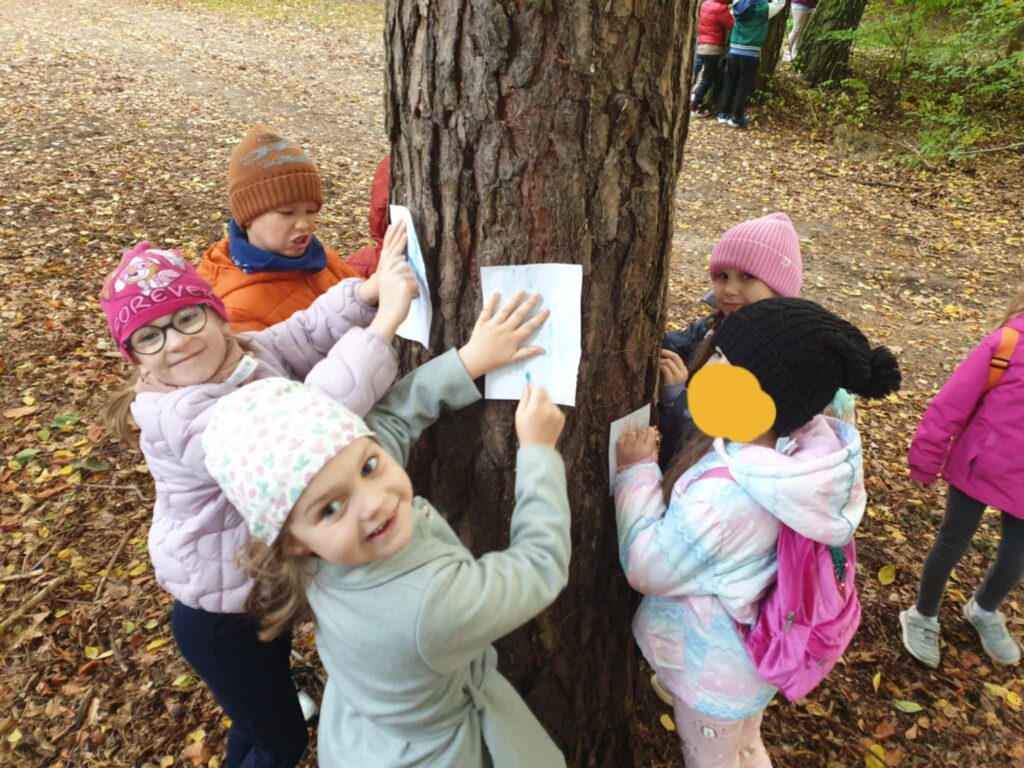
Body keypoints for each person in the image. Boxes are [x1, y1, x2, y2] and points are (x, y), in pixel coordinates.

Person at [202, 295, 568, 767]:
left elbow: (389, 420)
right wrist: (538, 452)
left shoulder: (311, 549)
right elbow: (540, 567)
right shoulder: (430, 608)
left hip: (360, 734)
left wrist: (469, 361)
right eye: (332, 508)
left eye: (371, 466)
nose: (374, 502)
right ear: (291, 539)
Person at [99, 237, 416, 767]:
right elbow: (302, 433)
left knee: (257, 720)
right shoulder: (182, 417)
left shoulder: (241, 354)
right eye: (149, 336)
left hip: (252, 594)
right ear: (136, 360)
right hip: (219, 618)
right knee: (281, 741)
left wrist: (364, 293)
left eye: (186, 319)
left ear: (218, 316)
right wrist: (382, 329)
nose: (174, 343)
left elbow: (300, 334)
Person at [615, 298, 901, 768]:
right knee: (744, 747)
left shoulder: (725, 499)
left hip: (713, 673)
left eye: (725, 364)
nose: (707, 369)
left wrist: (635, 473)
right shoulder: (800, 461)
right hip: (753, 657)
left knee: (713, 759)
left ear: (767, 396)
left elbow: (647, 566)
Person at [900, 287, 1024, 668]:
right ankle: (923, 614)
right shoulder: (1008, 343)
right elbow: (951, 402)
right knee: (952, 543)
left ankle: (984, 609)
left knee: (1015, 559)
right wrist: (925, 457)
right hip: (978, 466)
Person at [198, 124, 390, 331]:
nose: (304, 224)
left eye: (311, 211)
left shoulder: (320, 258)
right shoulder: (238, 310)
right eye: (287, 213)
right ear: (248, 216)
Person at [659, 213, 802, 467]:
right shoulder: (714, 329)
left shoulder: (783, 362)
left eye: (747, 276)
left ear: (778, 286)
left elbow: (725, 447)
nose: (729, 289)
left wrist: (677, 399)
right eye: (722, 276)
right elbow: (673, 343)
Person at [717, 0, 786, 128]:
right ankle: (736, 117)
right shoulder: (764, 9)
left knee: (730, 82)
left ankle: (722, 114)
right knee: (742, 86)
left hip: (733, 51)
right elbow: (780, 3)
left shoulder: (737, 6)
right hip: (750, 53)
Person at [691, 0, 735, 116]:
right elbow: (732, 25)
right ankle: (696, 105)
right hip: (712, 48)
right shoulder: (720, 8)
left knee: (706, 74)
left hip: (701, 44)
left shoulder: (706, 4)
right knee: (708, 78)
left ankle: (696, 99)